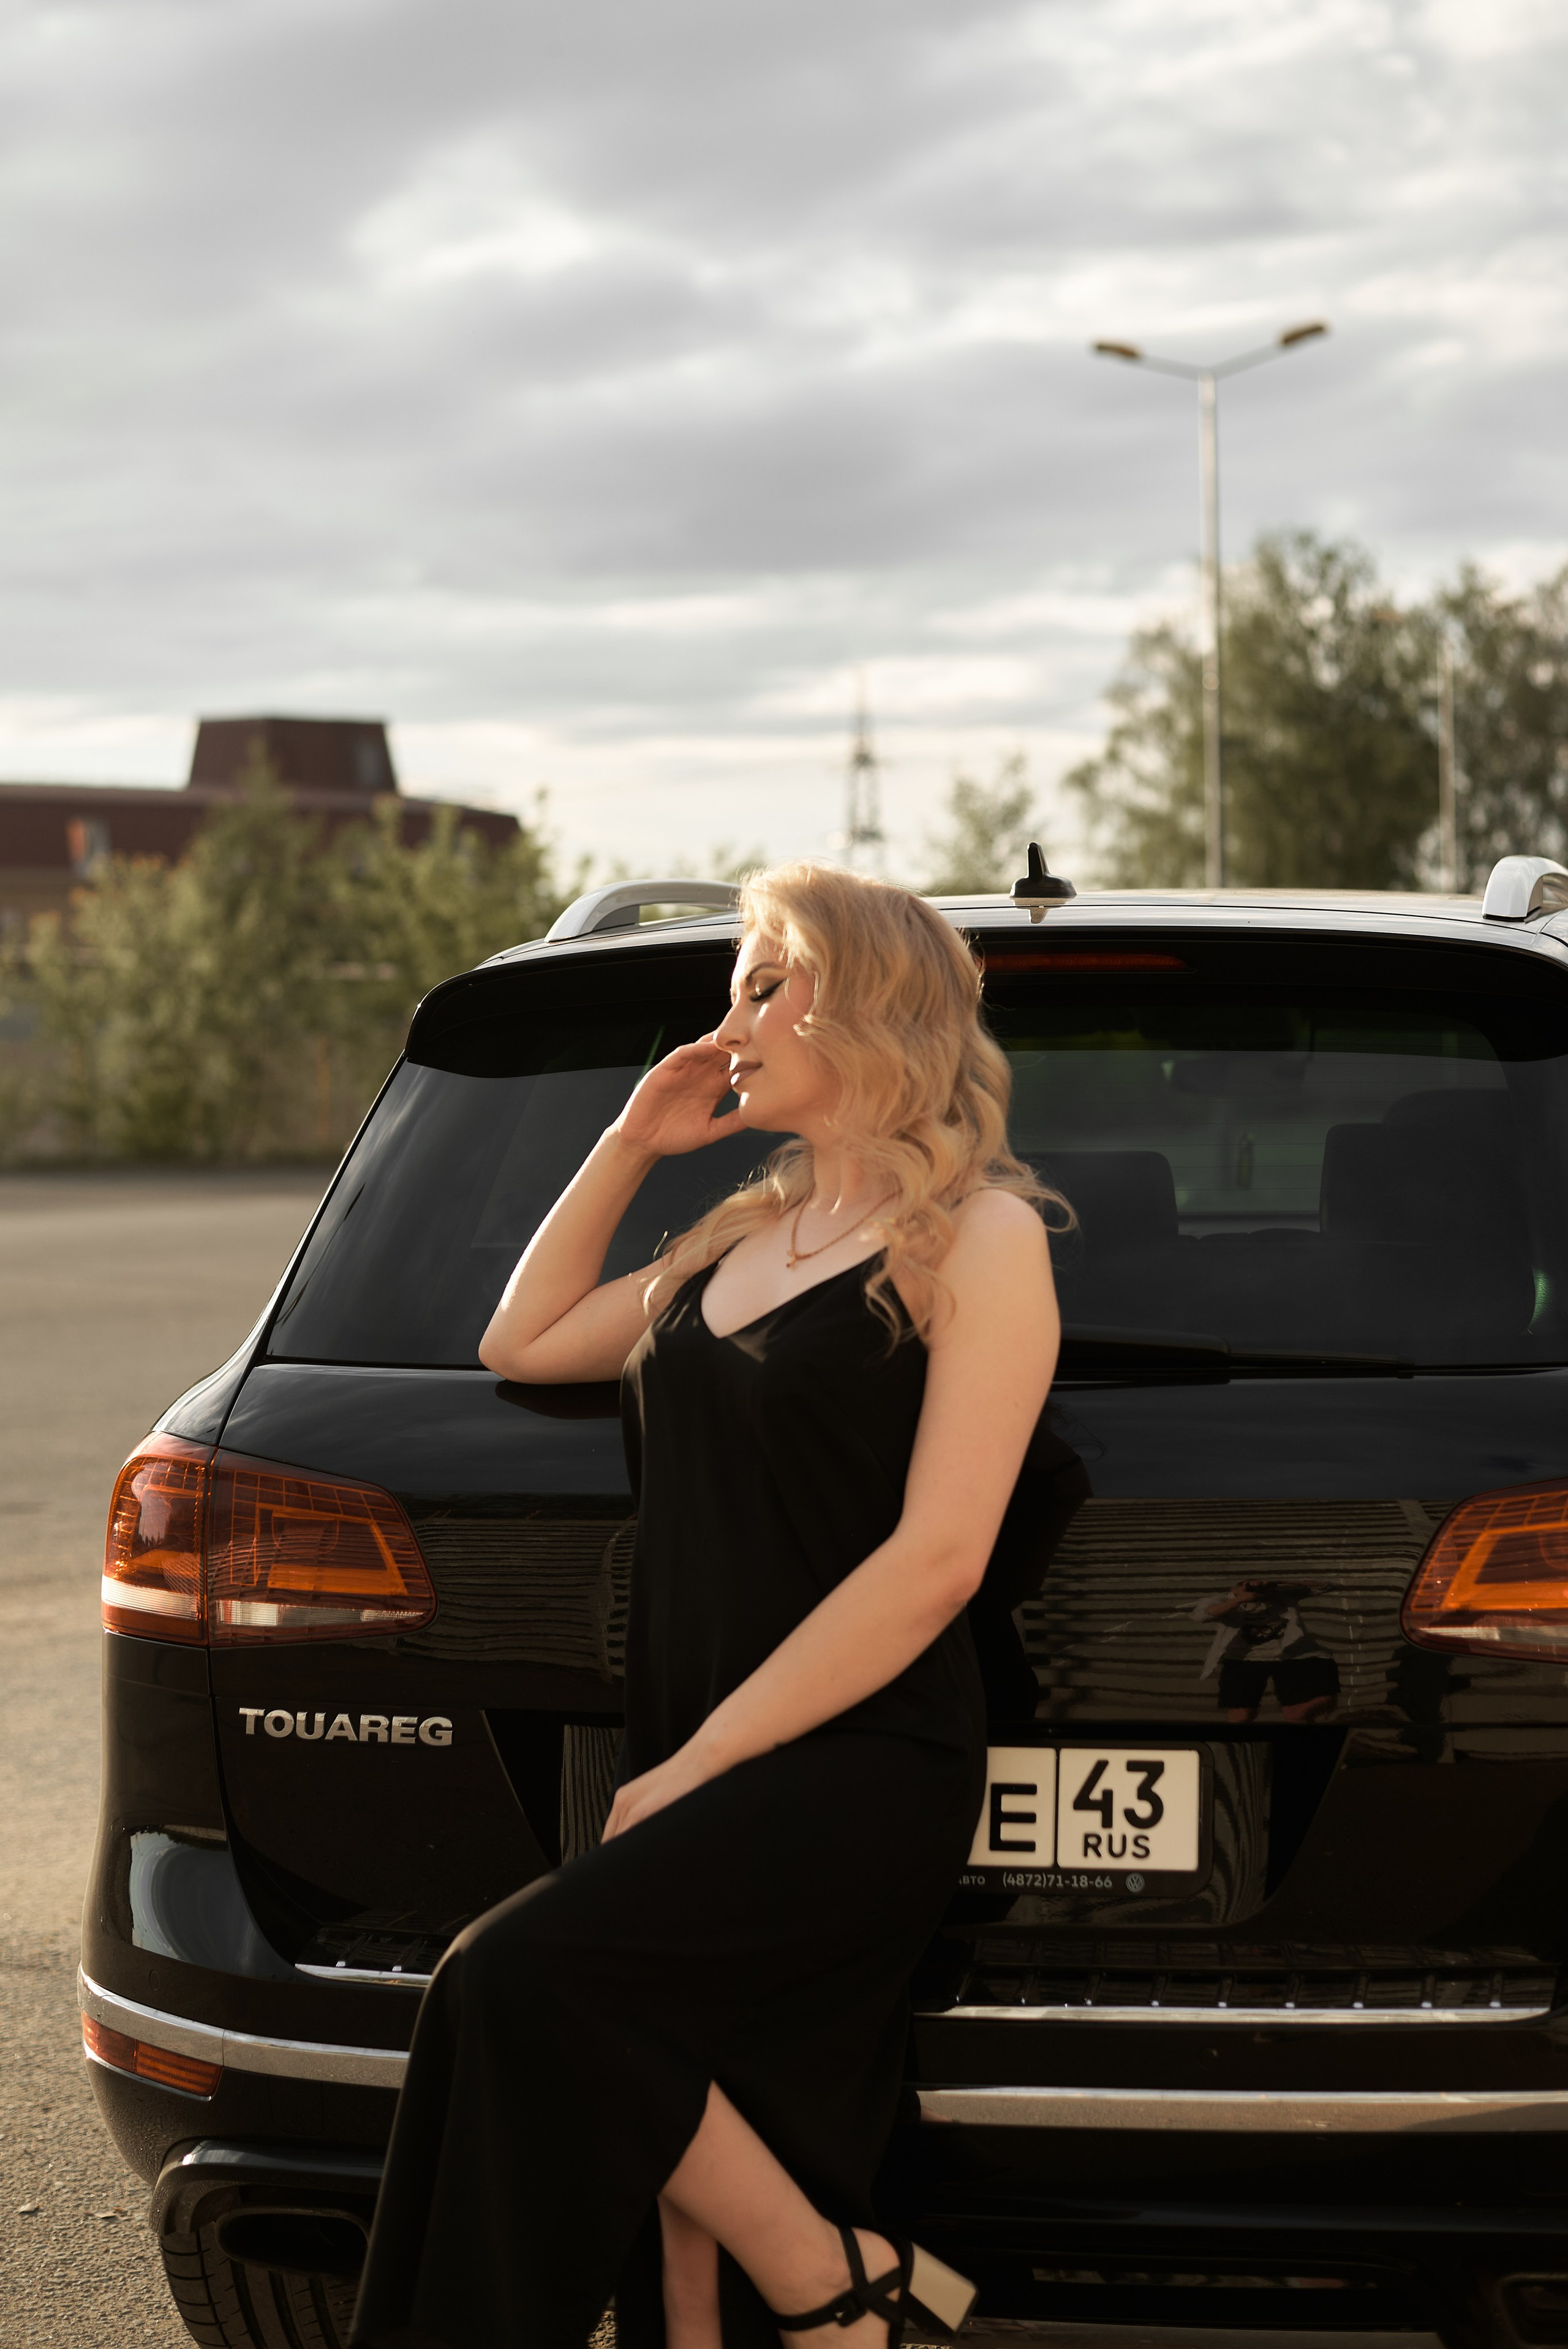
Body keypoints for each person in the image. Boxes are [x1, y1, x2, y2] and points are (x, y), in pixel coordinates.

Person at [350, 861, 1061, 2349]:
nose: (727, 1016)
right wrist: (628, 1138)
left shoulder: (978, 1237)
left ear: (861, 1000)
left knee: (513, 1985)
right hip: (694, 1733)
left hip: (847, 1757)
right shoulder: (739, 1229)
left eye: (761, 981)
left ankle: (826, 2274)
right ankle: (824, 2289)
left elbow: (936, 1557)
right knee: (678, 2208)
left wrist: (697, 1765)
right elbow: (523, 1336)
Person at [1194, 1577, 1341, 1723]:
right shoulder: (1224, 1600)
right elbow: (1202, 1615)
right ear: (1234, 1590)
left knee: (1296, 1714)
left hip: (1288, 1657)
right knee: (1241, 1715)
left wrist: (1279, 1582)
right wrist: (1238, 1600)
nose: (1255, 1590)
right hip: (1243, 1659)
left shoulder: (1282, 1596)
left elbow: (1327, 1586)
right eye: (1248, 1587)